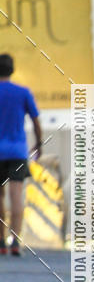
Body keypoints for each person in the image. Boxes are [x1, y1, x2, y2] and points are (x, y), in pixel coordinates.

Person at [0, 53, 42, 256]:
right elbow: (35, 120)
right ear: (12, 70)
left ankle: (1, 242)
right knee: (16, 195)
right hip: (17, 151)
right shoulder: (23, 92)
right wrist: (39, 144)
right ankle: (15, 241)